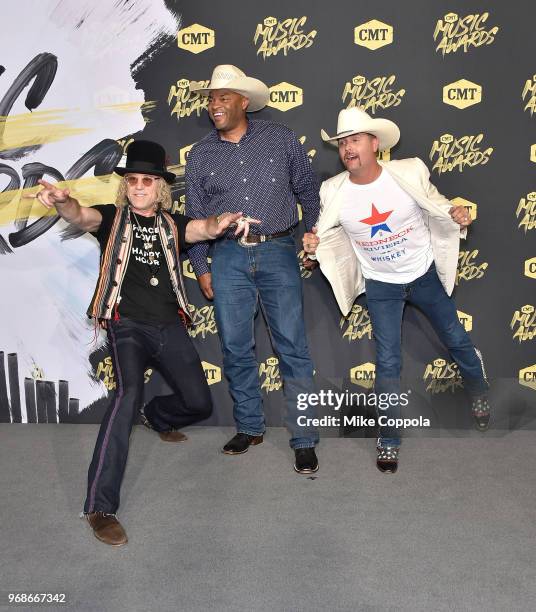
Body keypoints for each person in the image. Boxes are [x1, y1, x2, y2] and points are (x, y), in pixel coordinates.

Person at [30, 140, 255, 546]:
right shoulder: (112, 218)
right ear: (125, 186)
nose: (138, 187)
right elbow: (80, 216)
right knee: (125, 396)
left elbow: (203, 228)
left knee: (199, 403)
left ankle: (158, 416)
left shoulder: (172, 224)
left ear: (160, 187)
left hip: (169, 325)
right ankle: (100, 506)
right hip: (127, 323)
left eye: (147, 181)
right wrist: (63, 201)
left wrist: (221, 220)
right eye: (132, 180)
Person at [303, 108, 490, 474]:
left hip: (423, 276)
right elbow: (324, 236)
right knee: (387, 361)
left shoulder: (409, 171)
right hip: (381, 285)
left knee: (456, 339)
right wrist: (311, 247)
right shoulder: (333, 190)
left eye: (355, 140)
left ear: (375, 143)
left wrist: (456, 213)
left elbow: (440, 204)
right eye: (342, 143)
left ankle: (479, 390)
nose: (347, 149)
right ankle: (388, 436)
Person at [185, 65, 320, 474]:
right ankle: (249, 426)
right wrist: (200, 267)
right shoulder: (200, 154)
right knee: (235, 347)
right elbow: (193, 215)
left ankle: (304, 437)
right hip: (226, 257)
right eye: (211, 98)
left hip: (278, 248)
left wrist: (311, 234)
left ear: (245, 101)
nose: (214, 105)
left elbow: (309, 192)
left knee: (292, 347)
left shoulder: (280, 139)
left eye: (223, 97)